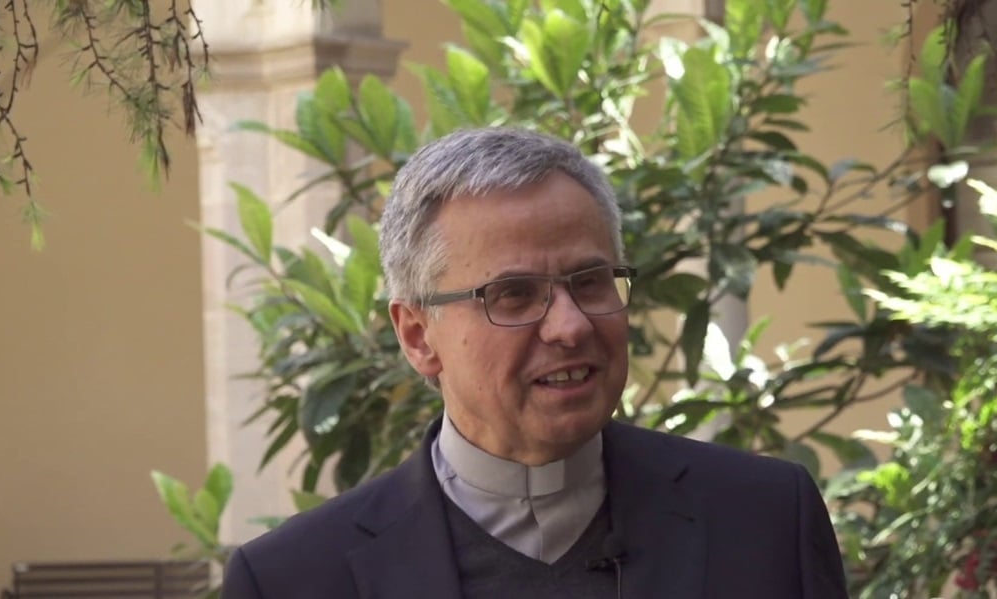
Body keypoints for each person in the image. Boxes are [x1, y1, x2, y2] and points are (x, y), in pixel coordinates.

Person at [221, 127, 849, 598]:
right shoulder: (293, 579)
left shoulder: (764, 519)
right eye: (514, 295)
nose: (570, 326)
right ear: (418, 336)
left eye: (591, 281)